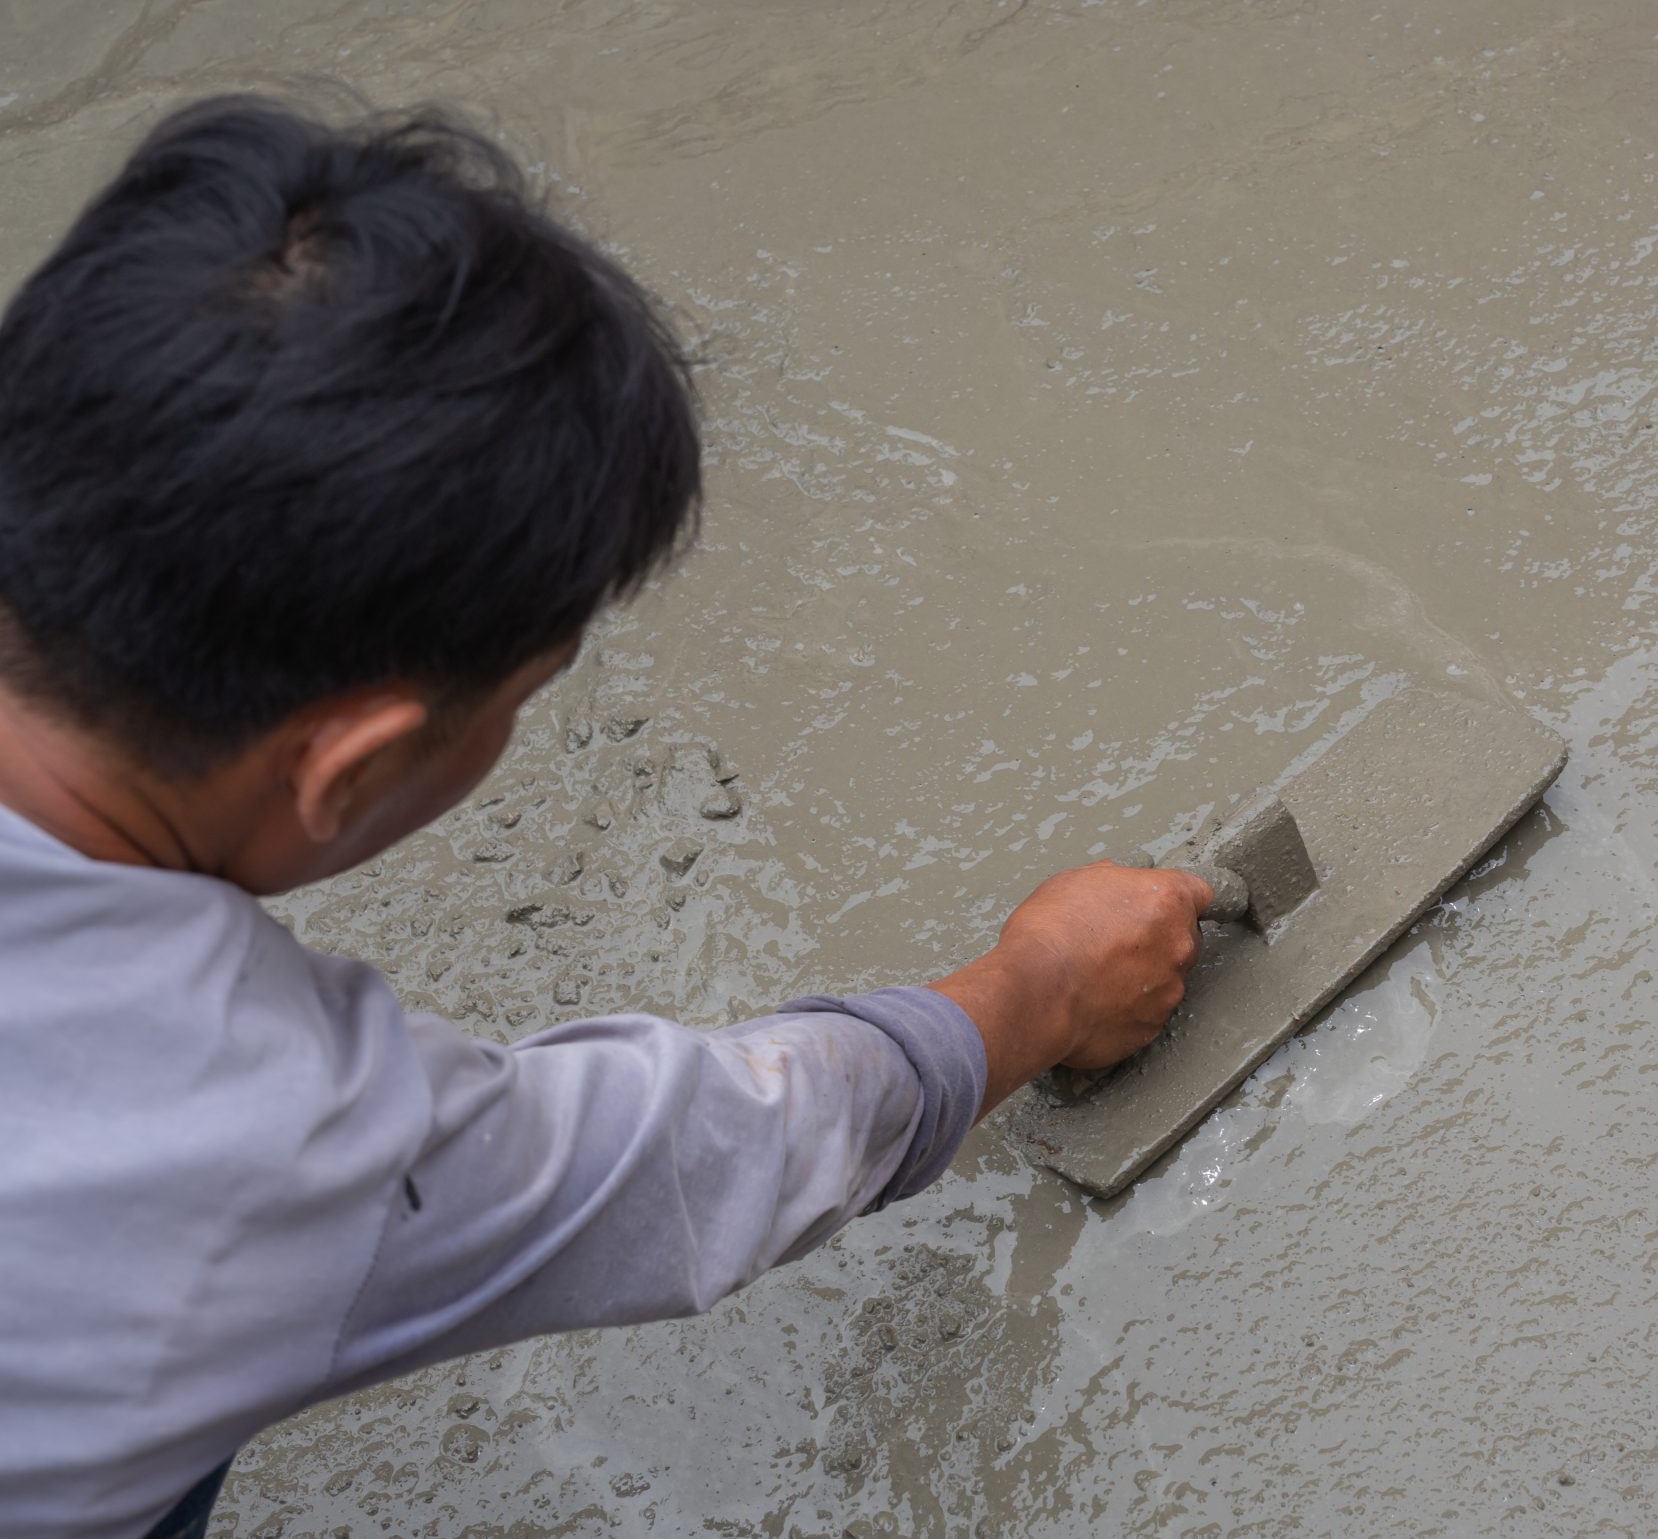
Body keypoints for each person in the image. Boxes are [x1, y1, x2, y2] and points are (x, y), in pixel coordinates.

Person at [0, 96, 1211, 1539]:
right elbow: (709, 1155)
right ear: (349, 765)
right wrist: (1045, 986)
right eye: (522, 694)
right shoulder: (265, 1131)